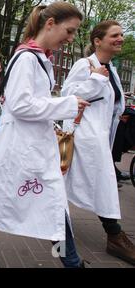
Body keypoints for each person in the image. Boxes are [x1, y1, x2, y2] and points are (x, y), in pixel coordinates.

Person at [0, 1, 90, 268]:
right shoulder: (27, 58)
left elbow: (30, 103)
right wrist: (67, 104)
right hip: (21, 145)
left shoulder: (36, 57)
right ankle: (70, 261)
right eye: (69, 31)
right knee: (40, 200)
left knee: (39, 199)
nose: (70, 39)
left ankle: (69, 260)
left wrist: (57, 114)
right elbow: (21, 104)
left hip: (30, 143)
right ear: (50, 24)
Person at [61, 20, 135, 265]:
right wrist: (95, 80)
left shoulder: (110, 68)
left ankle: (112, 234)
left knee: (67, 183)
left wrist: (119, 112)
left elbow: (108, 100)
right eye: (115, 35)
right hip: (84, 139)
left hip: (99, 137)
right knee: (102, 186)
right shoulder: (86, 64)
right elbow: (67, 96)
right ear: (97, 40)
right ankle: (114, 235)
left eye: (122, 35)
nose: (121, 38)